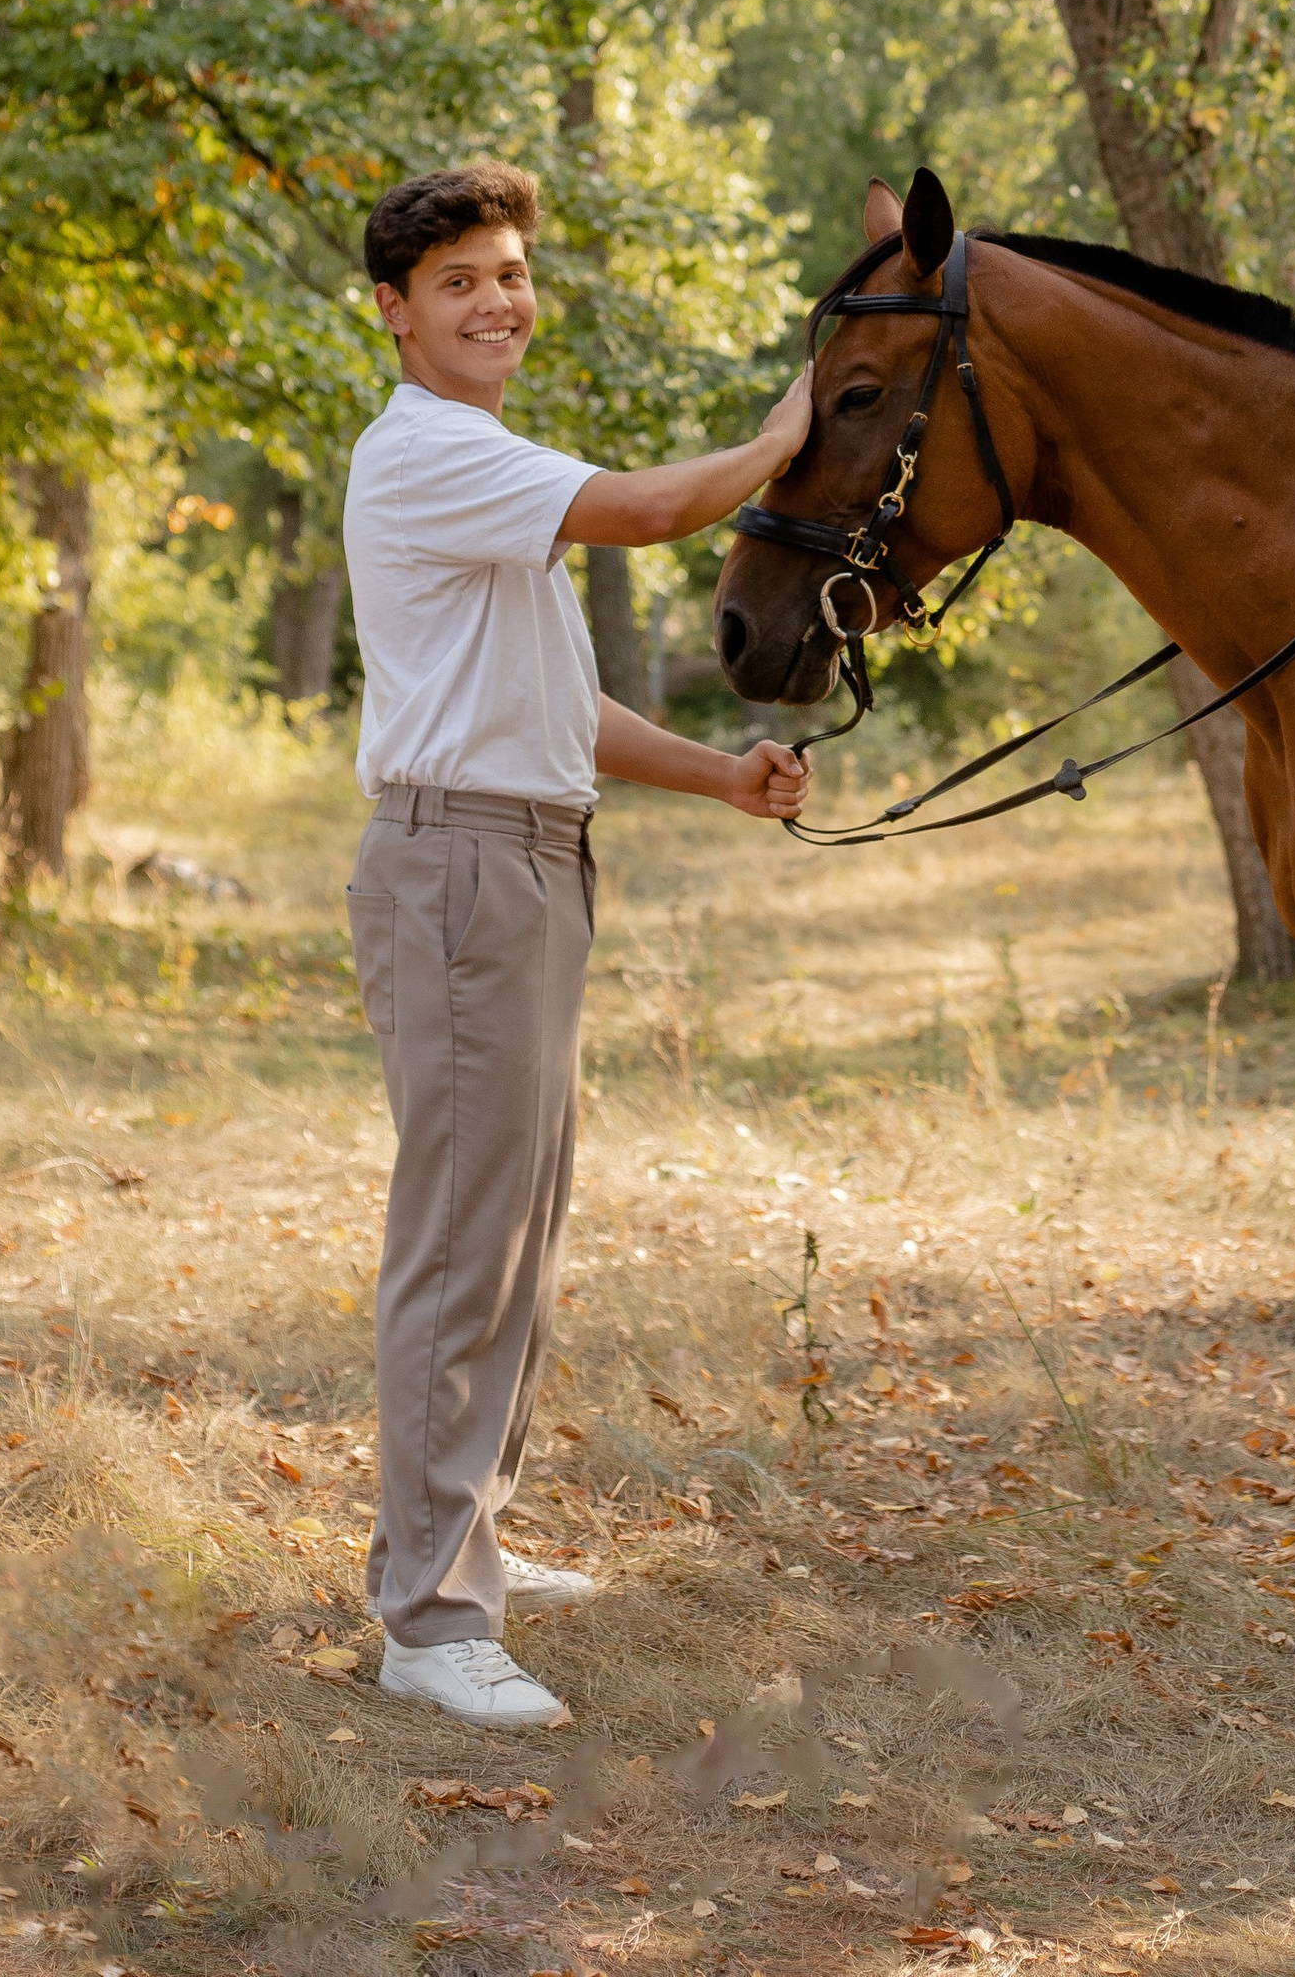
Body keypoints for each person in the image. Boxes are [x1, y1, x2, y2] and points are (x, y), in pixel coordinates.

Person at [342, 158, 815, 1730]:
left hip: (529, 857)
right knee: (464, 1245)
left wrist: (723, 776)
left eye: (512, 273)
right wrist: (792, 432)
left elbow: (558, 708)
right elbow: (663, 511)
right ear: (399, 314)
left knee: (518, 1237)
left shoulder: (481, 462)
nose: (497, 301)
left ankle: (457, 1538)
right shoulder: (428, 456)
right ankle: (428, 1618)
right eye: (461, 281)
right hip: (463, 867)